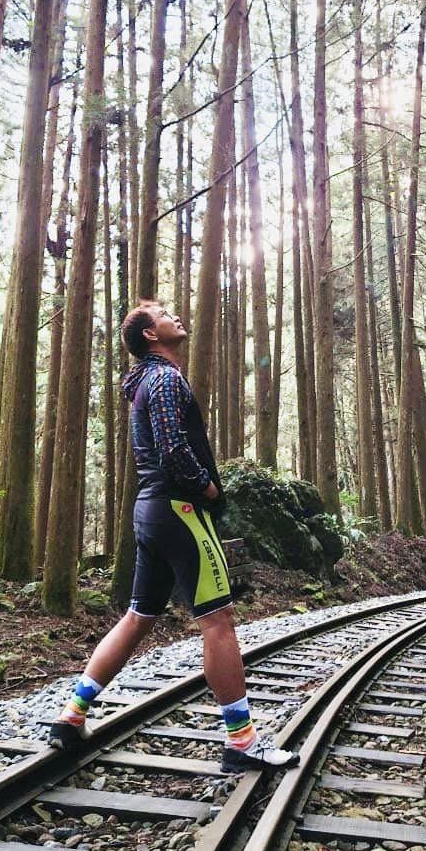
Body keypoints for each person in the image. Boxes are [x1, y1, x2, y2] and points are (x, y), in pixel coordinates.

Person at [48, 301, 299, 773]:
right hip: (179, 508)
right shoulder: (164, 378)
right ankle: (242, 742)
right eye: (163, 313)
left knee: (139, 615)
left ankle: (71, 715)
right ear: (149, 335)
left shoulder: (145, 381)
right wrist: (207, 487)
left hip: (151, 510)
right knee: (218, 620)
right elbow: (172, 449)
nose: (176, 315)